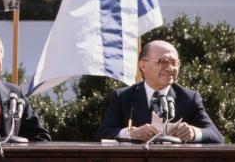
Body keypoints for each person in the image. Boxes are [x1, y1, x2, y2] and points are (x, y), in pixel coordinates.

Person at [95, 40, 223, 143]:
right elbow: (102, 134)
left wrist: (194, 133)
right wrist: (130, 133)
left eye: (174, 63)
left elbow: (216, 135)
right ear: (142, 65)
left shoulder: (189, 98)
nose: (170, 68)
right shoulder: (123, 97)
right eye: (163, 62)